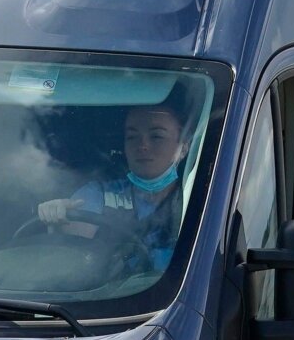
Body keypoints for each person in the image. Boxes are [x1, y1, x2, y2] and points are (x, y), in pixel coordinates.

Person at [36, 102, 189, 273]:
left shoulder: (197, 201)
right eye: (132, 137)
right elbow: (70, 264)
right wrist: (57, 222)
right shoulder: (98, 195)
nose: (142, 145)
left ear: (183, 147)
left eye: (156, 136)